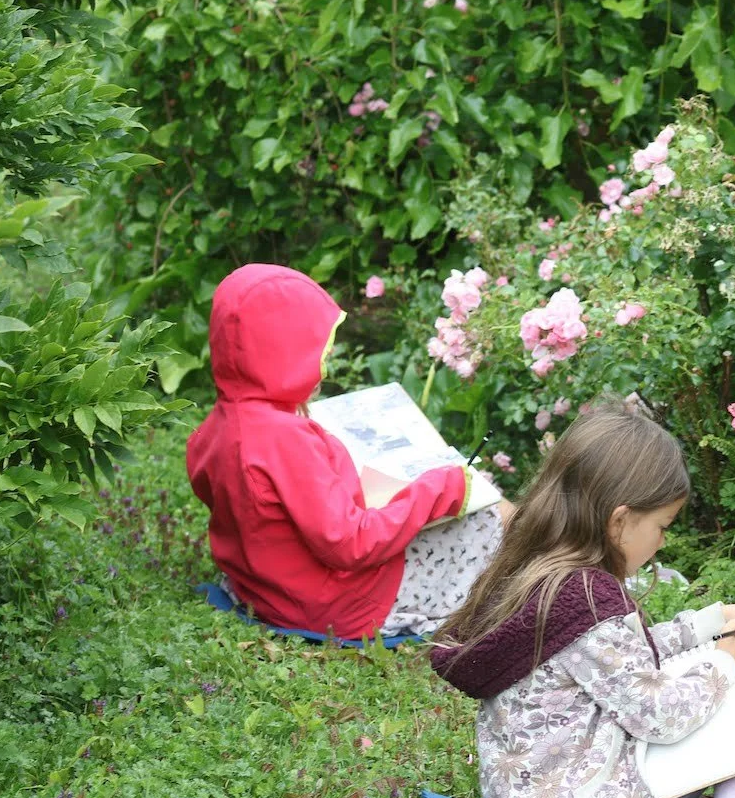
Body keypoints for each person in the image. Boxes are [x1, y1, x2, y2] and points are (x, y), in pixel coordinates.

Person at [429, 409, 735, 798]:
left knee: (721, 676)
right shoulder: (586, 598)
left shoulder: (545, 575)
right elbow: (659, 715)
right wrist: (727, 665)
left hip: (531, 796)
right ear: (620, 521)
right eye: (663, 526)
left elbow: (621, 655)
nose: (663, 542)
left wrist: (710, 623)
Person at [186, 263, 507, 641]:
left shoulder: (214, 428)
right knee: (490, 516)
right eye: (316, 349)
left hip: (264, 587)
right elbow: (349, 544)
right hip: (335, 605)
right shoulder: (284, 439)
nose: (323, 360)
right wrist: (442, 488)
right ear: (282, 352)